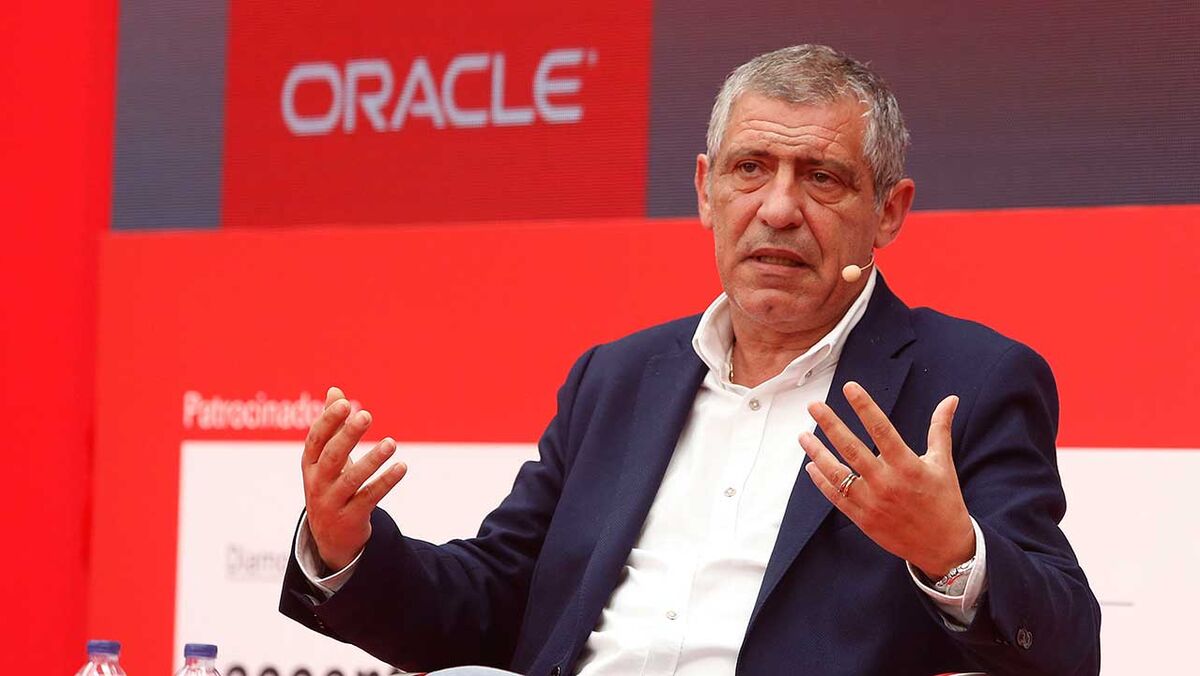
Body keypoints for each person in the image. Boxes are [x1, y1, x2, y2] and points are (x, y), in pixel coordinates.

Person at [280, 45, 1101, 675]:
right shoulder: (616, 379)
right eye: (751, 169)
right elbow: (499, 594)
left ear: (889, 211)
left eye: (821, 177)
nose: (778, 209)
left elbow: (1068, 646)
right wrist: (347, 546)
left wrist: (952, 552)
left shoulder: (970, 382)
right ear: (706, 190)